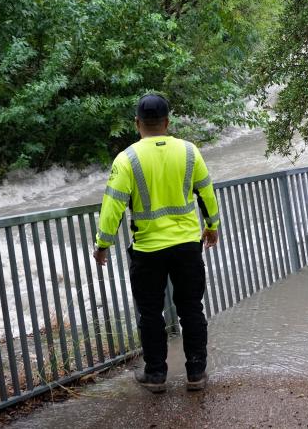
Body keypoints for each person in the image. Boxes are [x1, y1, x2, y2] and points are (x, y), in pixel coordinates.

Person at [93, 94, 220, 393]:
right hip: (187, 245)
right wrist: (212, 226)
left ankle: (156, 375)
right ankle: (196, 374)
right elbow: (206, 192)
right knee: (191, 309)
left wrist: (103, 244)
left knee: (150, 313)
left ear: (137, 123)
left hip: (148, 250)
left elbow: (113, 206)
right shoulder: (190, 152)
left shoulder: (127, 159)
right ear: (167, 123)